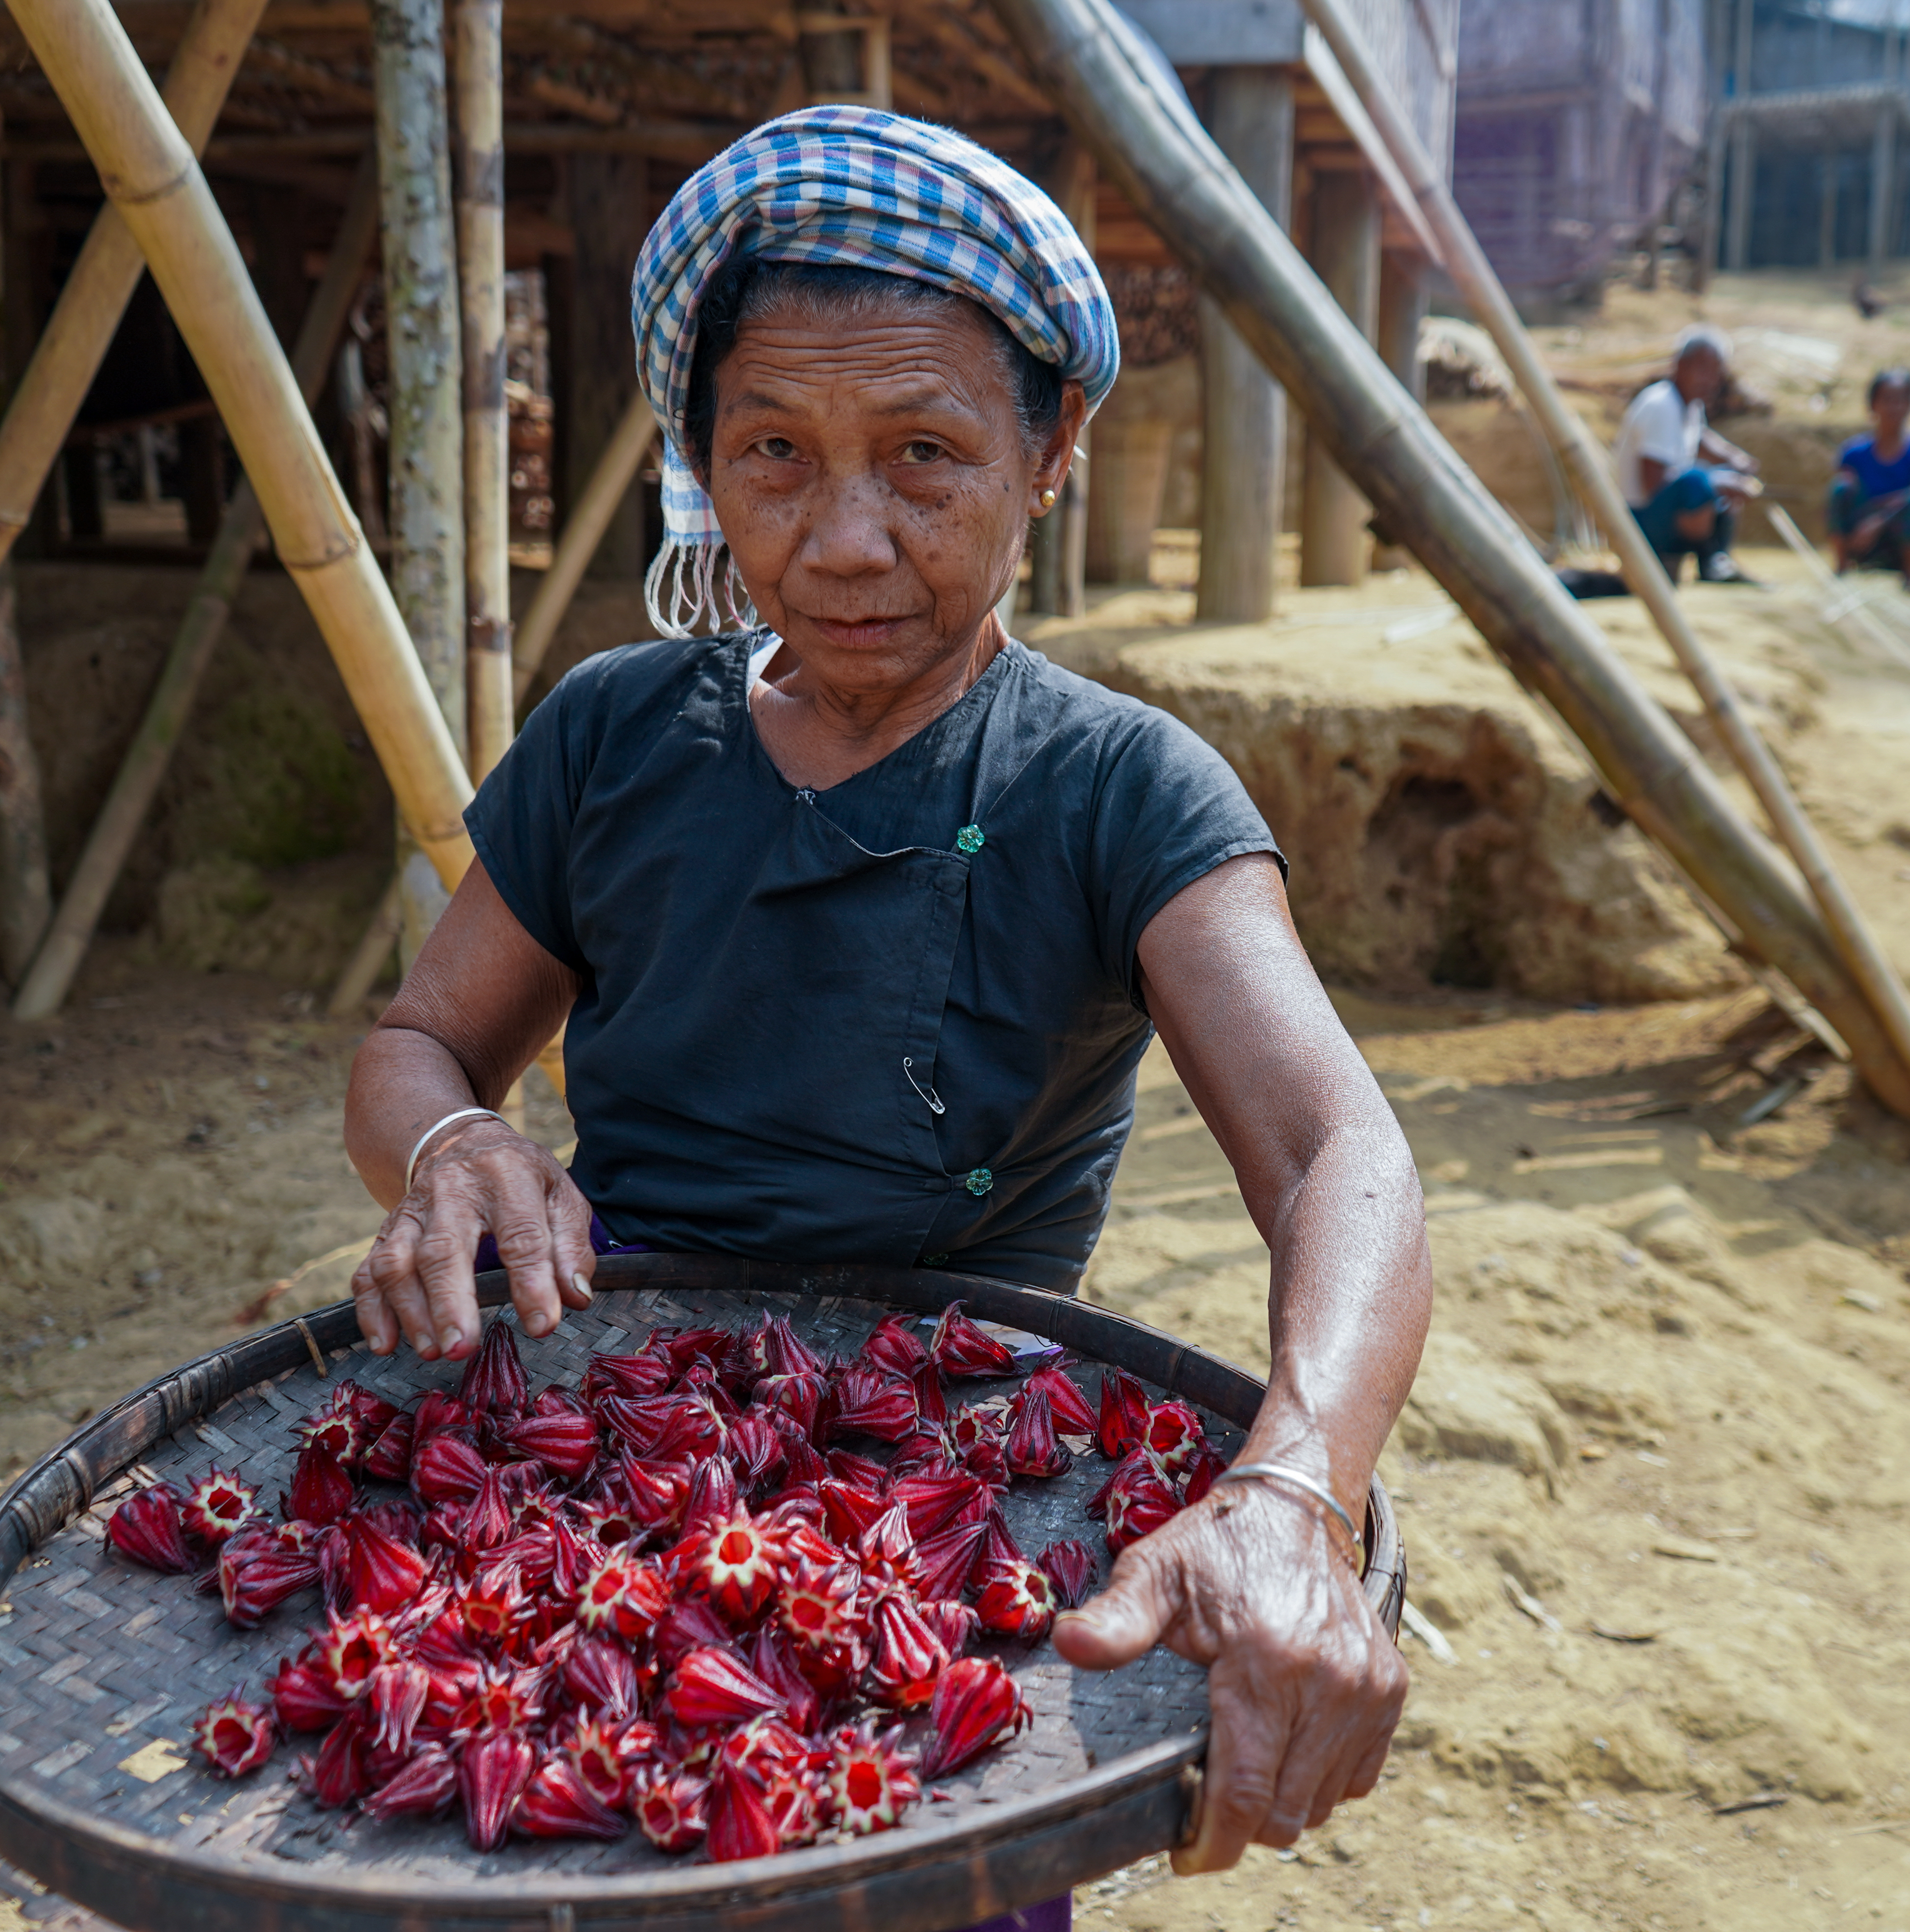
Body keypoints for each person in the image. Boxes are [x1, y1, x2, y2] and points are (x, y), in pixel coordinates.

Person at [340, 108, 1430, 1911]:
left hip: (936, 1498)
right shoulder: (616, 736)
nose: (844, 539)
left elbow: (1340, 1149)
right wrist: (458, 1142)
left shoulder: (1115, 787)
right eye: (772, 452)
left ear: (1049, 449)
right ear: (699, 457)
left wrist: (1298, 1480)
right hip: (599, 1428)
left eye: (924, 453)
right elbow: (415, 1042)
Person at [1609, 323, 1763, 585]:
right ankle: (1706, 557)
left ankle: (1715, 559)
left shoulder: (1689, 406)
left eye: (1715, 373)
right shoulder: (1662, 406)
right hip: (1637, 519)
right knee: (1698, 482)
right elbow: (1654, 484)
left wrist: (1735, 461)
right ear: (1680, 365)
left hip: (1652, 513)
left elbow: (1701, 438)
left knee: (1721, 479)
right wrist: (1718, 482)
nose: (1709, 380)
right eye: (1702, 369)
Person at [1827, 367, 1910, 593]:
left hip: (1901, 535)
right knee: (1840, 489)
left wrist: (1878, 520)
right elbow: (1844, 497)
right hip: (1862, 542)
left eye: (1902, 400)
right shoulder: (1853, 452)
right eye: (1888, 400)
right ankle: (1842, 568)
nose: (1895, 408)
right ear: (1873, 404)